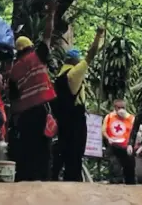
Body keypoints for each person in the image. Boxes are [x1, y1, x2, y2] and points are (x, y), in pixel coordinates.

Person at [8, 0, 56, 181]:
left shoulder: (14, 70)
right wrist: (51, 14)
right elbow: (48, 35)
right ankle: (43, 179)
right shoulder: (38, 56)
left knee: (27, 147)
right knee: (44, 146)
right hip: (41, 111)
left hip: (25, 115)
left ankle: (26, 178)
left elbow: (13, 99)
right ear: (30, 47)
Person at [52, 27, 104, 181]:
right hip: (75, 120)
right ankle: (73, 183)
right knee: (75, 153)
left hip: (62, 120)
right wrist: (98, 35)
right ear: (74, 61)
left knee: (64, 149)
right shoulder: (74, 74)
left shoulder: (59, 76)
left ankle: (55, 178)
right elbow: (91, 54)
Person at [102, 99, 135, 184]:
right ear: (115, 108)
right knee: (114, 165)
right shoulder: (109, 117)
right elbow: (103, 131)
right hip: (113, 146)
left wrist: (131, 144)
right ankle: (115, 182)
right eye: (119, 107)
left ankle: (130, 184)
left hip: (127, 147)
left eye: (123, 107)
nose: (121, 109)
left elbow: (135, 132)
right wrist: (108, 138)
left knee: (129, 167)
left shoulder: (131, 118)